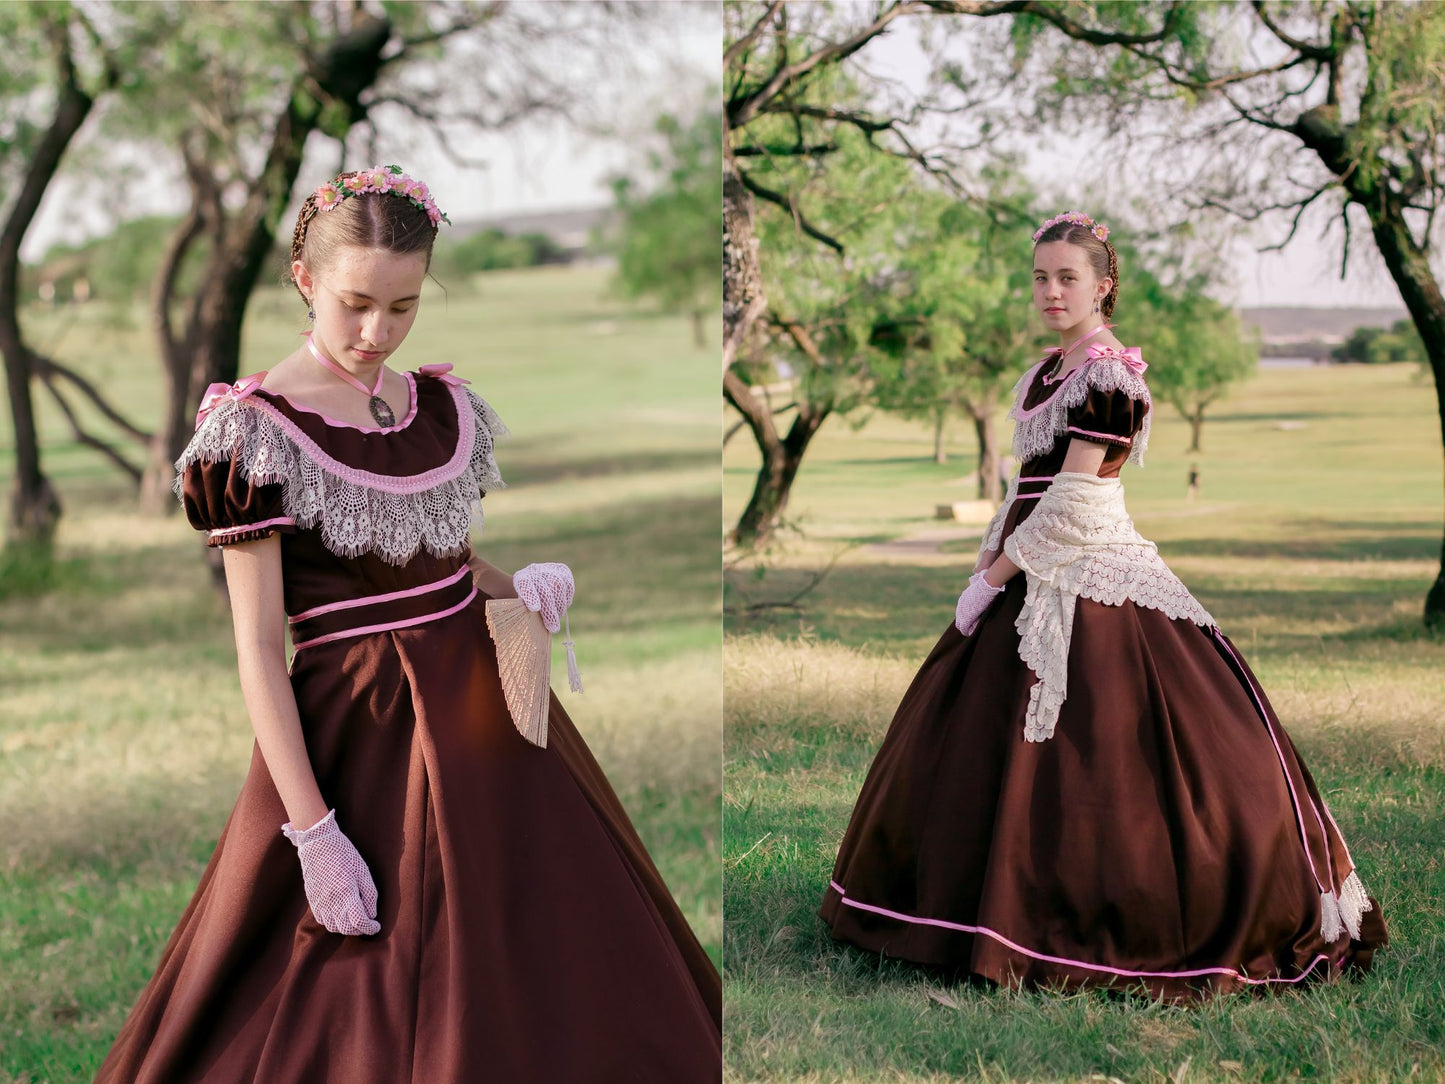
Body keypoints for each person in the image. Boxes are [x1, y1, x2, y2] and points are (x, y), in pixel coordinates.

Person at [97, 165, 721, 1081]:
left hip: (483, 714)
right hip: (363, 726)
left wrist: (522, 585)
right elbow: (259, 652)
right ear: (306, 280)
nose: (374, 332)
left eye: (402, 308)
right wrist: (313, 835)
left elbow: (442, 560)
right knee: (361, 974)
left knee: (541, 939)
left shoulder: (438, 407)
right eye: (354, 303)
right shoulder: (253, 433)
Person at [819, 211, 1387, 1000]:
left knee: (1112, 751)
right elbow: (1022, 490)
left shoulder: (1110, 375)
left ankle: (1101, 915)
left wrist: (992, 581)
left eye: (1067, 278)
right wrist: (986, 562)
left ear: (1101, 285)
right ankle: (964, 913)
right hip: (1026, 560)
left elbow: (1077, 500)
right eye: (1040, 277)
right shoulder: (1044, 372)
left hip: (1089, 572)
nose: (1050, 292)